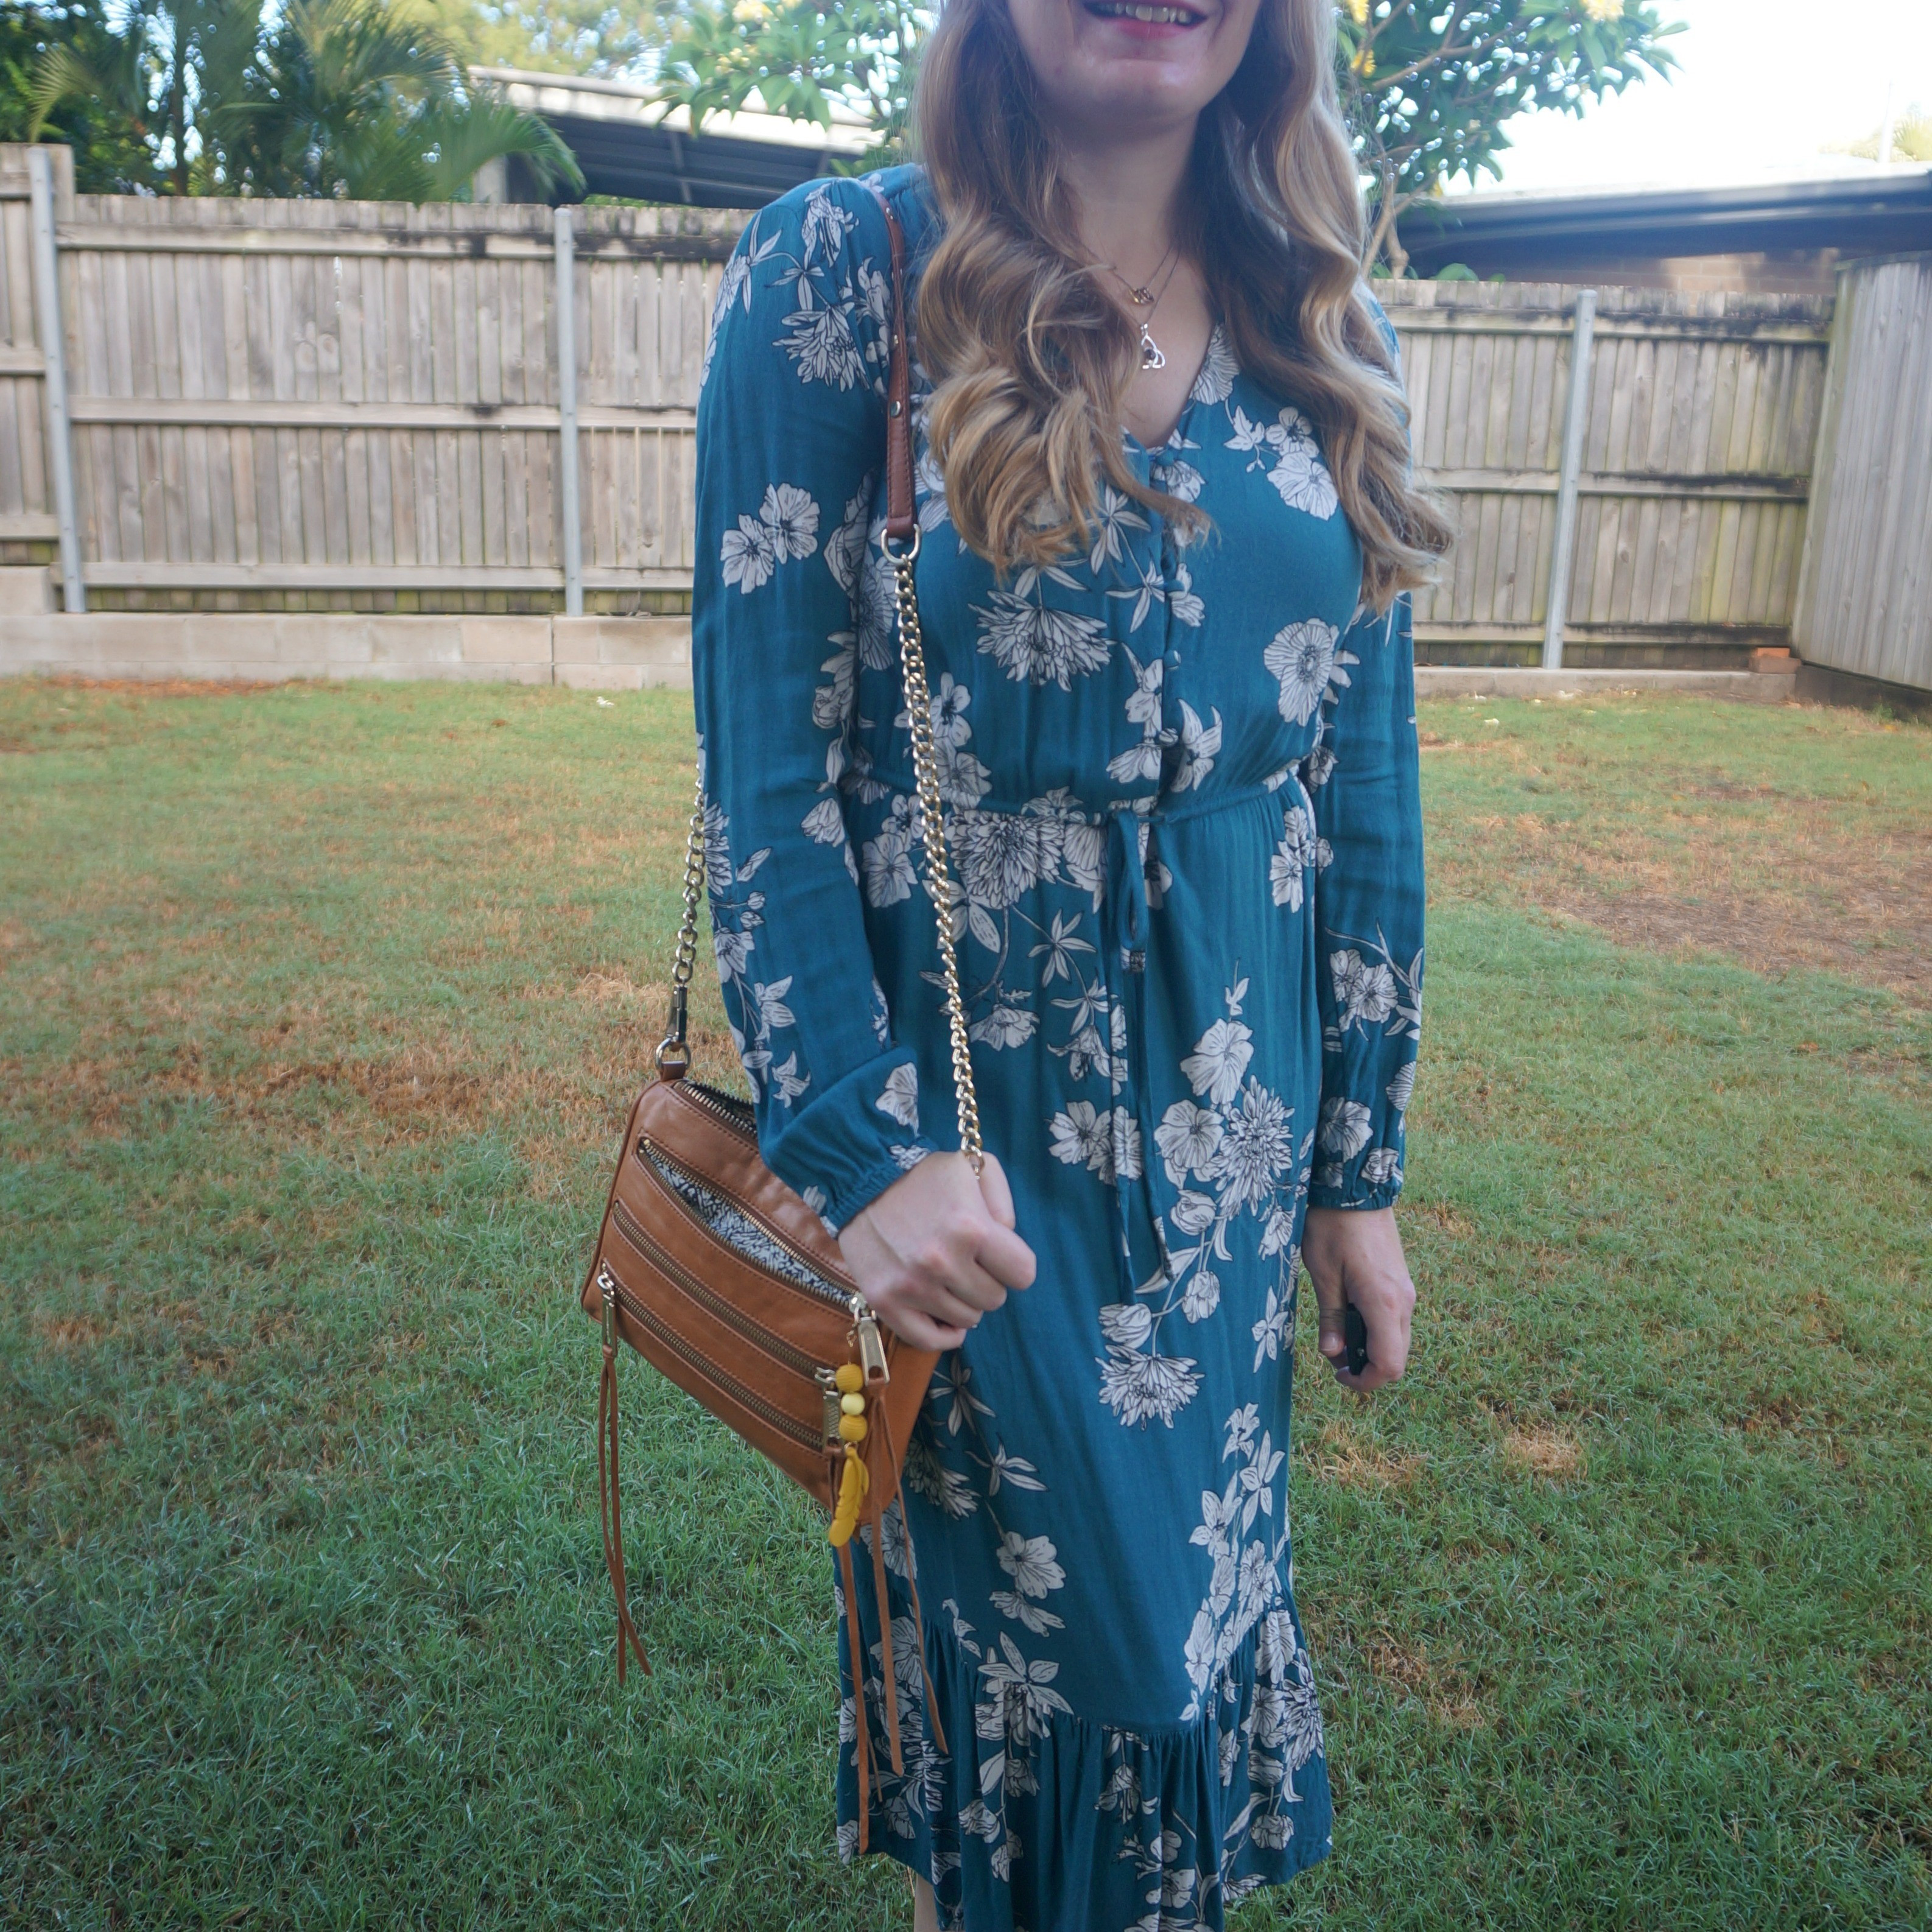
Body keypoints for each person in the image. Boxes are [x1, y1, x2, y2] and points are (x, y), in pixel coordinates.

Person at [691, 0, 1452, 1920]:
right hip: (976, 1160)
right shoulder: (848, 270)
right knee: (1062, 1679)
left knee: (1183, 1649)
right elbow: (763, 760)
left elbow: (1358, 777)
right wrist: (859, 1153)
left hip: (1235, 1155)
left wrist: (1357, 1178)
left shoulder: (1318, 315)